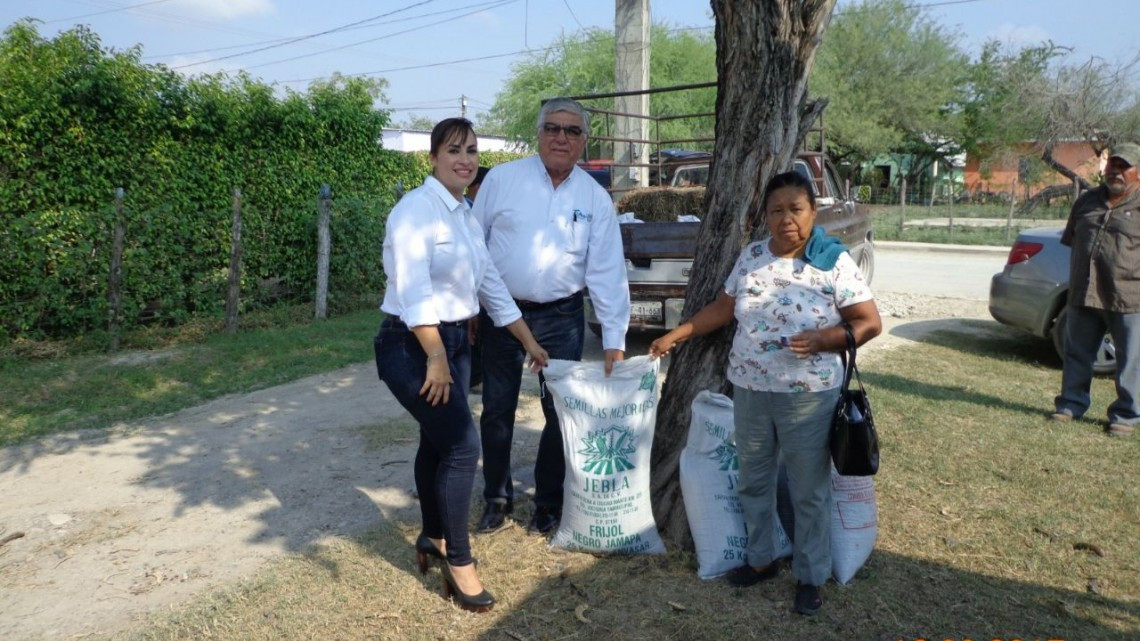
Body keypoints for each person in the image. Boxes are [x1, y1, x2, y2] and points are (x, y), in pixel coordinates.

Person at [648, 170, 881, 616]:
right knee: (754, 480)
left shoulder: (832, 261)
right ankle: (760, 559)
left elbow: (869, 323)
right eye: (776, 211)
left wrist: (824, 339)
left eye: (796, 209)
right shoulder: (752, 256)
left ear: (813, 212)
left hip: (809, 396)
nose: (786, 219)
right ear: (765, 216)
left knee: (807, 489)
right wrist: (677, 334)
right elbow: (723, 308)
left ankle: (810, 576)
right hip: (751, 390)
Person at [374, 118, 548, 613]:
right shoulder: (415, 210)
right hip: (411, 344)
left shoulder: (465, 215)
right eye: (453, 150)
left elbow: (491, 285)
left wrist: (529, 341)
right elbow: (412, 291)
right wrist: (435, 357)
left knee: (438, 440)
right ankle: (460, 562)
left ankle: (433, 537)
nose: (465, 159)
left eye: (471, 150)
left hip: (453, 342)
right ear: (432, 157)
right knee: (462, 445)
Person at [471, 97, 630, 535]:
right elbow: (474, 247)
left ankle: (548, 502)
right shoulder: (502, 180)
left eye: (572, 130)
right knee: (497, 408)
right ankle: (497, 498)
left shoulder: (594, 198)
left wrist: (614, 339)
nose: (562, 137)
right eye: (553, 128)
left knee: (560, 411)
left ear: (584, 140)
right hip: (502, 312)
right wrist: (471, 307)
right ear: (539, 133)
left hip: (562, 316)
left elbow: (607, 272)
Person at [1052, 142, 1140, 437]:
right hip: (1085, 291)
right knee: (1077, 353)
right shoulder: (1086, 201)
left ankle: (1125, 415)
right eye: (1113, 164)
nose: (1116, 171)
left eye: (1124, 166)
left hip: (1129, 296)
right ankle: (1070, 405)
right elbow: (1072, 239)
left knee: (1131, 360)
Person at [465, 166, 491, 391]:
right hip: (470, 286)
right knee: (473, 333)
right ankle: (474, 378)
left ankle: (476, 376)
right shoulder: (467, 211)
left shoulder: (471, 209)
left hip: (479, 284)